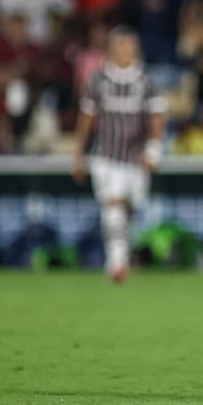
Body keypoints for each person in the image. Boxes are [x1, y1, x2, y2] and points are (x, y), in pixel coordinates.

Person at [72, 26, 167, 283]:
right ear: (112, 49)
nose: (127, 51)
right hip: (106, 155)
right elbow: (87, 118)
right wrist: (78, 153)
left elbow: (157, 117)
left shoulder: (146, 81)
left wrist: (154, 149)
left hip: (135, 157)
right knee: (112, 203)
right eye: (122, 46)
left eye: (131, 46)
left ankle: (122, 253)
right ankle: (117, 263)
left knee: (131, 208)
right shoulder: (97, 80)